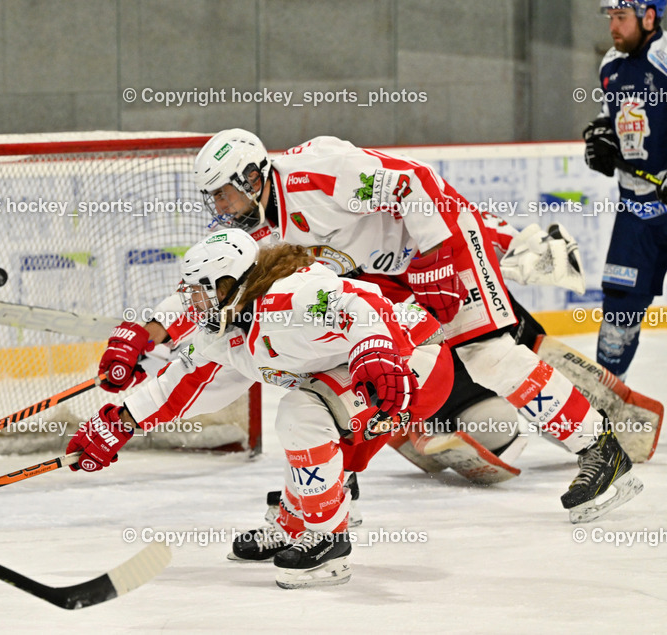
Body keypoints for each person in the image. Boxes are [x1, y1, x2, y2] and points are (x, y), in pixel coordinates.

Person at [167, 128, 642, 524]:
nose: (219, 207)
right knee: (342, 364)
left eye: (224, 193)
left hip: (441, 242)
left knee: (489, 355)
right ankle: (336, 482)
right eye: (213, 197)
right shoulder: (253, 229)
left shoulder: (317, 174)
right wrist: (153, 332)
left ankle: (601, 451)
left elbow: (414, 181)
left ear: (252, 177)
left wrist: (436, 255)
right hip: (383, 278)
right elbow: (214, 286)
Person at [69, 229, 454, 588]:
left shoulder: (289, 298)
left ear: (229, 284)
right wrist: (120, 423)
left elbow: (360, 302)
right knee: (308, 411)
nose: (192, 304)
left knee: (303, 411)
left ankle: (328, 543)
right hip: (367, 369)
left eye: (200, 293)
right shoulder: (229, 326)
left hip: (412, 360)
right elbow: (184, 382)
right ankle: (294, 524)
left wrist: (374, 352)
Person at [583, 0, 667, 380]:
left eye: (622, 16)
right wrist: (601, 138)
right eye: (610, 17)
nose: (613, 26)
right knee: (619, 305)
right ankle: (607, 401)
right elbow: (611, 118)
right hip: (635, 209)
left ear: (650, 17)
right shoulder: (611, 65)